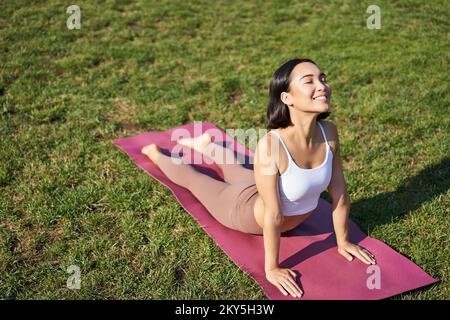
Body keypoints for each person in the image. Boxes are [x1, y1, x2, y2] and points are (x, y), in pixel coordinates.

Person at [141, 58, 376, 298]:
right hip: (242, 210)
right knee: (196, 181)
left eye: (322, 79)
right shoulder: (272, 145)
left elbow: (339, 193)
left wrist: (343, 241)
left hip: (262, 192)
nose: (322, 86)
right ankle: (156, 154)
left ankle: (205, 146)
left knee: (236, 169)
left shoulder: (329, 133)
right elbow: (272, 215)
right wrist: (272, 268)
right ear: (287, 98)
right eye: (309, 81)